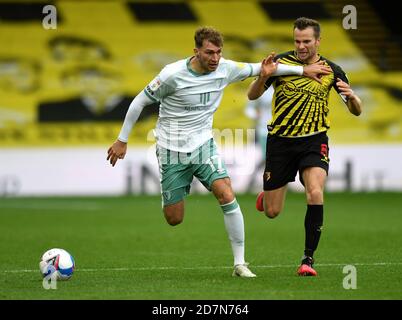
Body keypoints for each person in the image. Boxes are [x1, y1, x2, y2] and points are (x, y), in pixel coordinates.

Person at [107, 26, 330, 278]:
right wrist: (122, 140)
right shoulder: (171, 75)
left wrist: (303, 70)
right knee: (174, 218)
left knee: (226, 193)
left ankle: (240, 264)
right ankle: (171, 192)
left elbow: (264, 68)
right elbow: (139, 101)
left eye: (218, 52)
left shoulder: (225, 68)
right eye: (209, 52)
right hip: (171, 151)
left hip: (204, 146)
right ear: (196, 51)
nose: (215, 58)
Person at [249, 17, 363, 276]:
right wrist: (262, 77)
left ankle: (307, 260)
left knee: (314, 192)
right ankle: (267, 196)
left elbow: (356, 111)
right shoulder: (281, 64)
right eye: (297, 41)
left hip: (314, 141)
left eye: (306, 41)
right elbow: (252, 95)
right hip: (280, 142)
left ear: (318, 41)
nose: (301, 46)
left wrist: (354, 98)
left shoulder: (332, 70)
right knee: (272, 212)